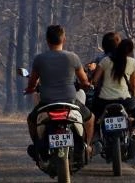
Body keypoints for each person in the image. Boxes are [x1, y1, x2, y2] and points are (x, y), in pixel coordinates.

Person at [24, 24, 95, 159]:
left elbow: (32, 83)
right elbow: (84, 81)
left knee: (31, 120)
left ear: (47, 41)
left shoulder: (39, 59)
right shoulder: (73, 57)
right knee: (90, 118)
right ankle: (87, 146)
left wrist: (30, 89)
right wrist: (86, 85)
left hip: (47, 102)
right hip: (70, 101)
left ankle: (37, 149)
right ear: (64, 39)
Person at [90, 38, 135, 137]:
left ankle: (95, 134)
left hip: (104, 101)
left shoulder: (105, 60)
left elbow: (95, 80)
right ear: (130, 51)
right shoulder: (132, 62)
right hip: (124, 101)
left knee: (94, 113)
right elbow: (133, 84)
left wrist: (94, 86)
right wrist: (134, 96)